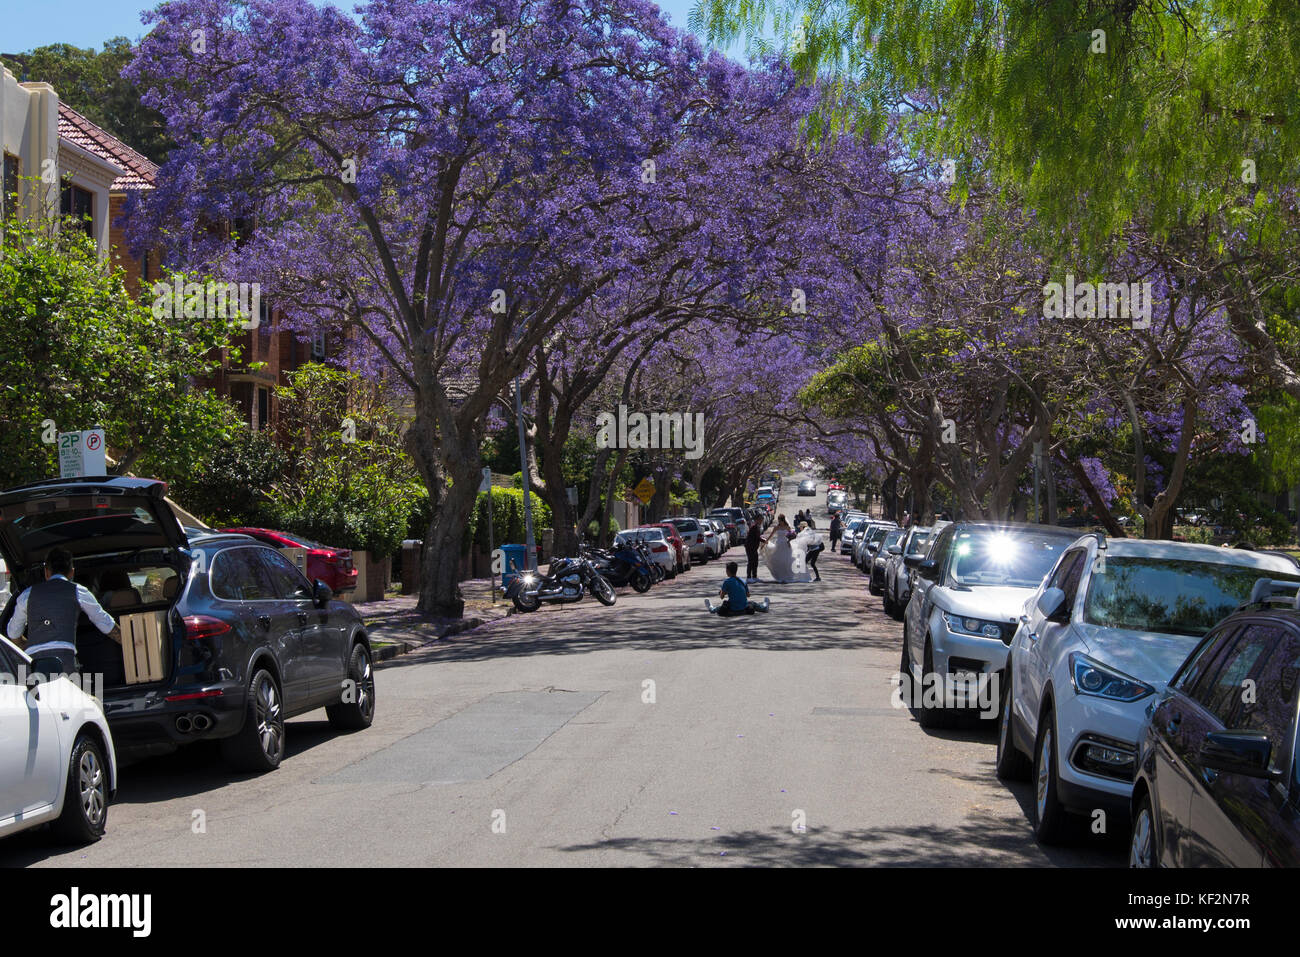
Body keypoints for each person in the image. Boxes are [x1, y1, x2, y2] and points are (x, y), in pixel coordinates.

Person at [7, 547, 117, 675]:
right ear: (72, 572)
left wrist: (31, 646)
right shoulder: (78, 591)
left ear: (46, 572)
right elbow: (106, 624)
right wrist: (133, 645)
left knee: (36, 694)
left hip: (33, 664)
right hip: (64, 660)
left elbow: (13, 634)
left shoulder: (27, 594)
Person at [705, 561, 770, 616]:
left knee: (720, 607)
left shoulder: (727, 581)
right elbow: (748, 595)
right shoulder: (743, 580)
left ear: (727, 571)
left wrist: (722, 591)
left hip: (732, 609)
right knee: (753, 604)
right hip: (744, 608)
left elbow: (721, 597)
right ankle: (764, 607)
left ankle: (711, 609)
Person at [744, 517, 763, 582]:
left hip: (754, 548)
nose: (761, 521)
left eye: (762, 520)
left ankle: (754, 576)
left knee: (755, 562)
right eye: (760, 520)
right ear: (756, 520)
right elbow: (757, 537)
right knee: (751, 562)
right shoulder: (754, 527)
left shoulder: (757, 527)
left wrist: (763, 539)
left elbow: (758, 536)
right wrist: (764, 540)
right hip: (750, 547)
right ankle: (748, 577)